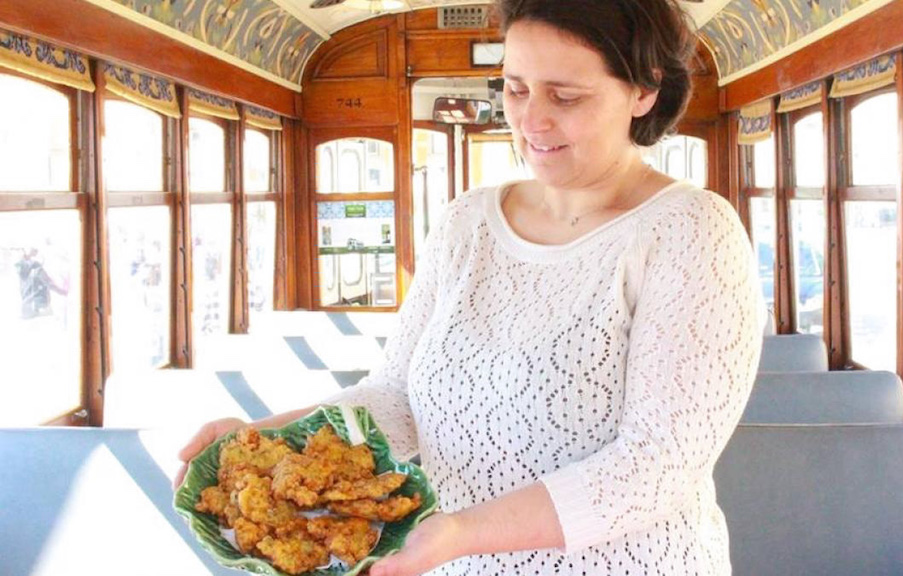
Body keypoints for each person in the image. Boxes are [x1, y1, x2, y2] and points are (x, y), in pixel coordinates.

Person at [175, 0, 763, 574]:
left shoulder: (691, 231)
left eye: (566, 96)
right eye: (515, 88)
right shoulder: (466, 222)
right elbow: (396, 398)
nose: (532, 121)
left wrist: (461, 533)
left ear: (644, 90)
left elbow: (657, 465)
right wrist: (263, 442)